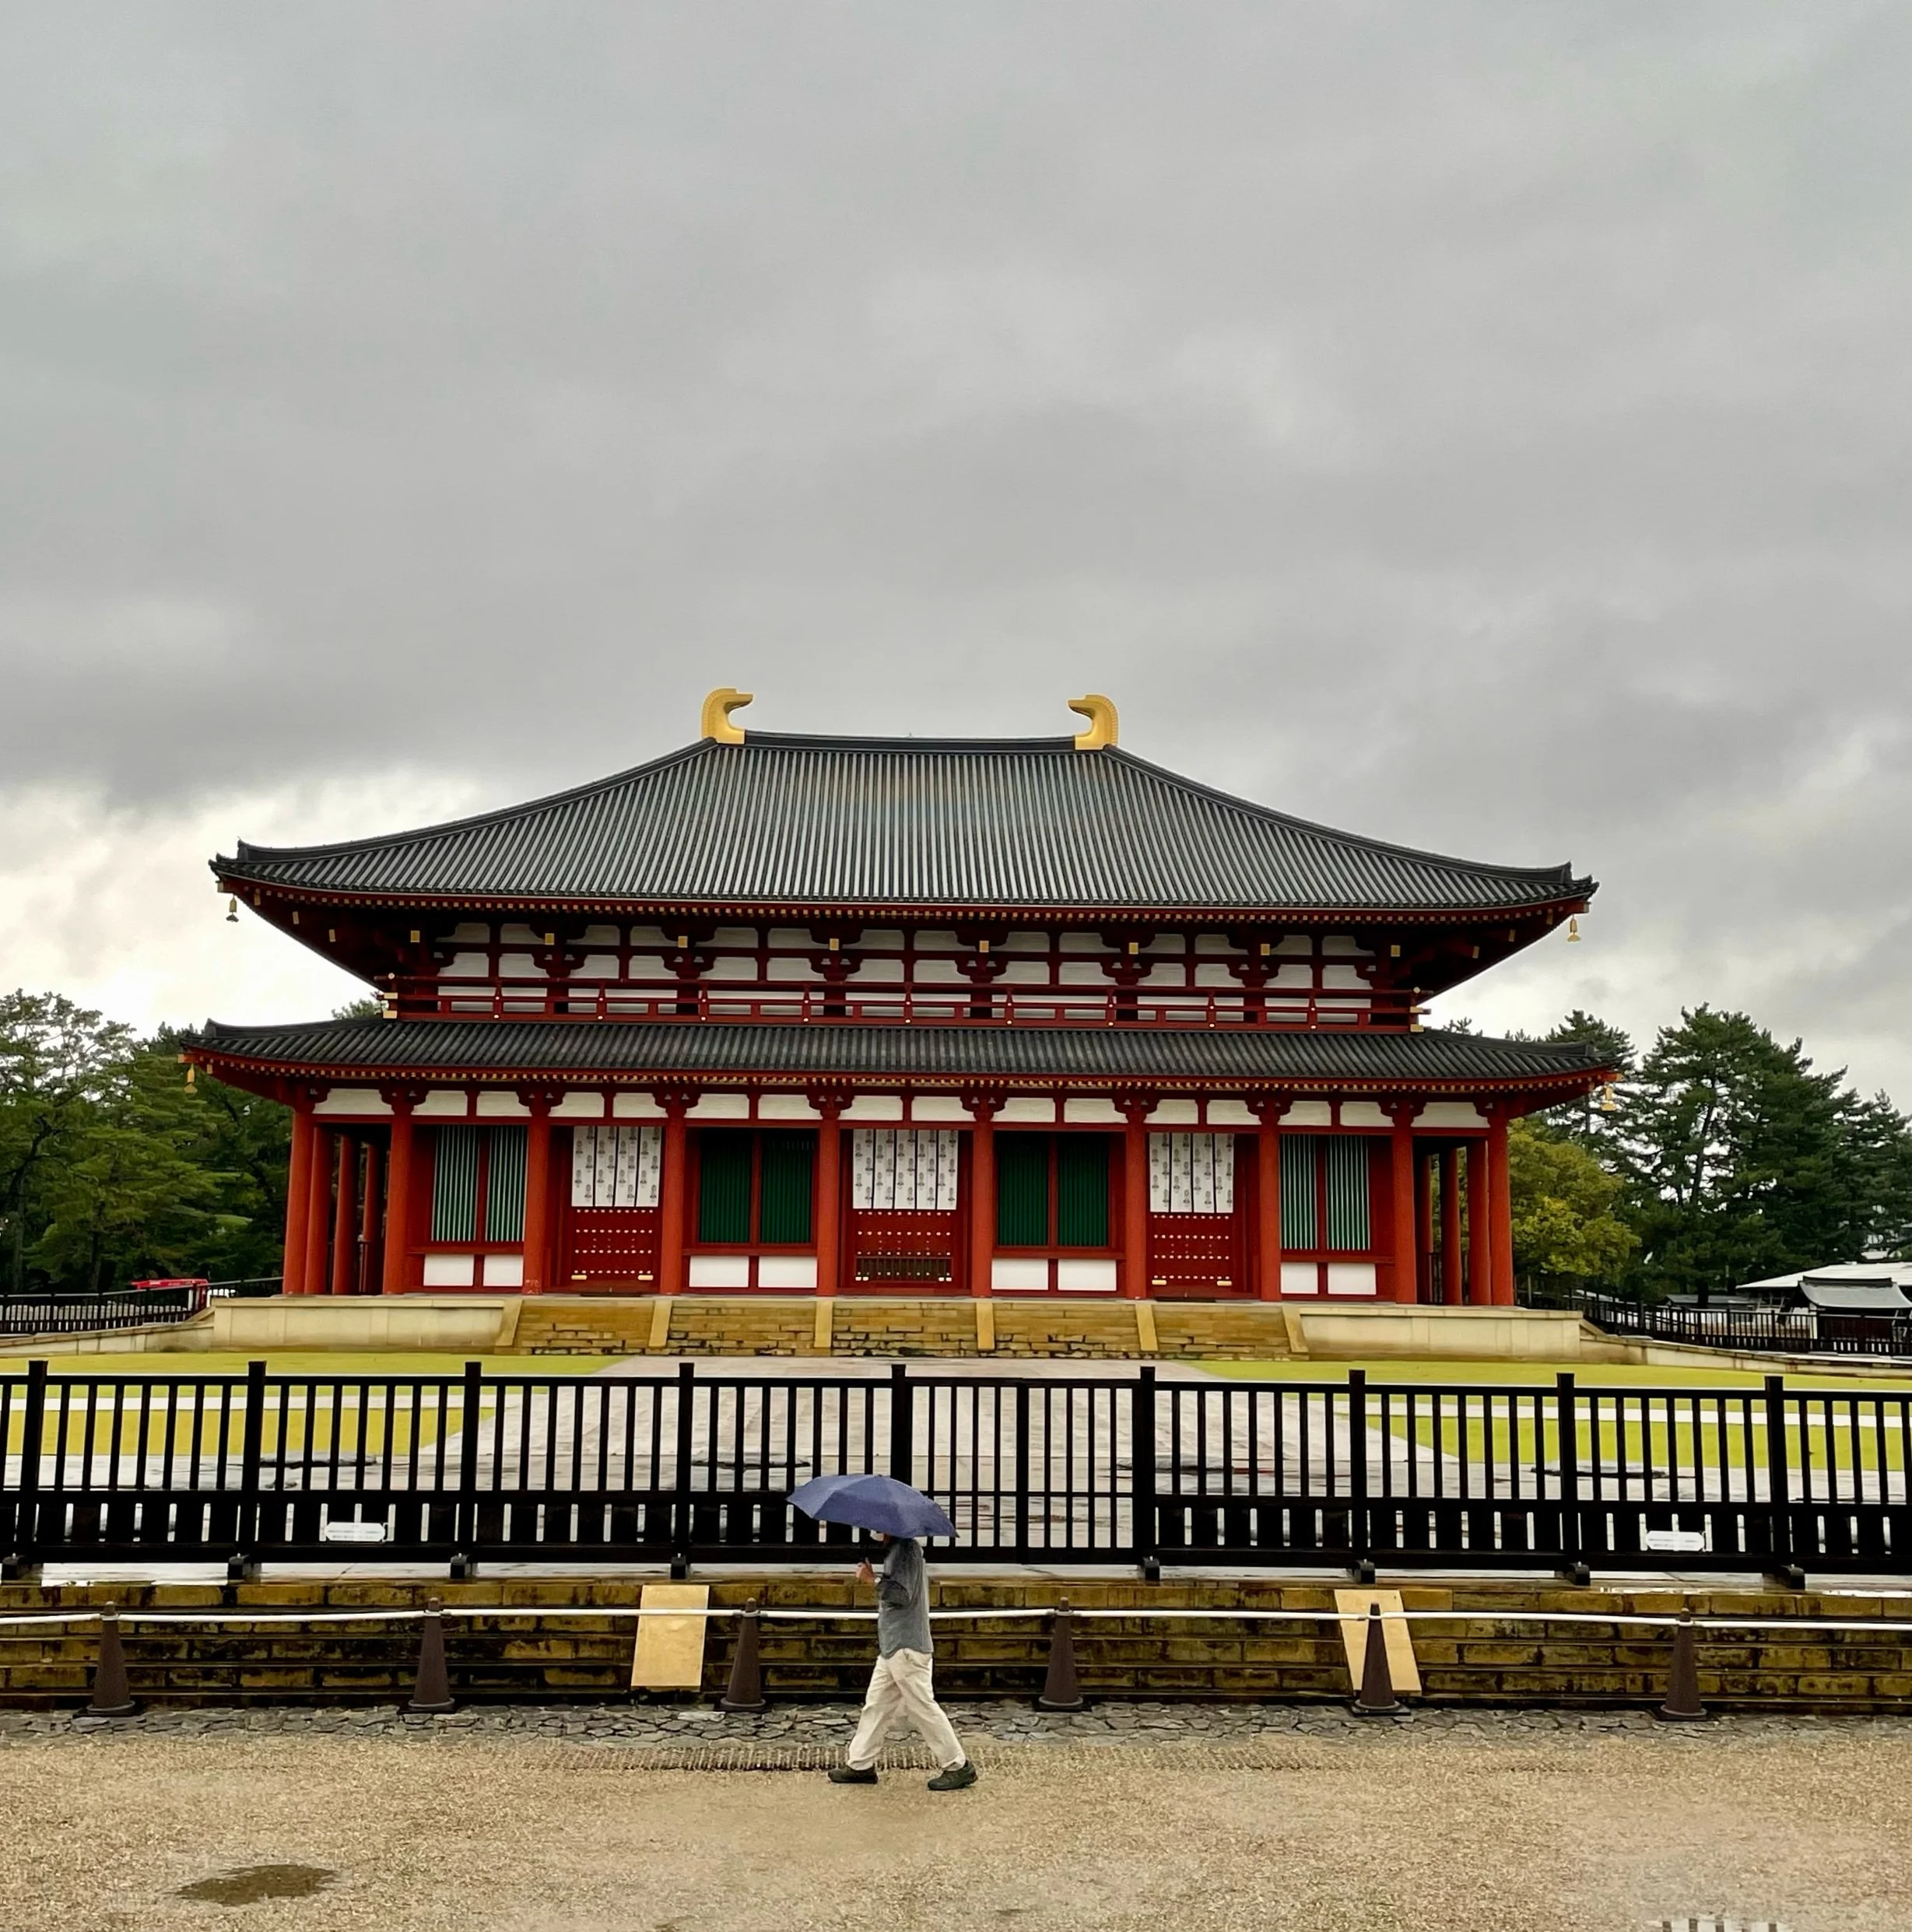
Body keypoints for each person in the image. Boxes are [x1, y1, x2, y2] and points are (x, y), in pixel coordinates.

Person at [826, 1531, 977, 1790]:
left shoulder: (904, 1550)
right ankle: (860, 1764)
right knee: (876, 1704)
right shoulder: (900, 1549)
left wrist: (872, 1581)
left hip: (905, 1645)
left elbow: (902, 1595)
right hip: (894, 1644)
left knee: (922, 1706)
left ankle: (957, 1765)